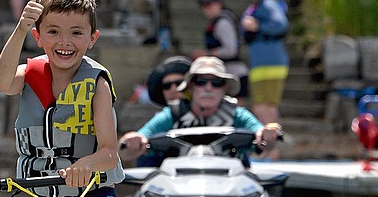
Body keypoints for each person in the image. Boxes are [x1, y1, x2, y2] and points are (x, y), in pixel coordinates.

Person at [0, 0, 129, 197]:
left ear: (92, 39)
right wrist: (21, 28)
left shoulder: (97, 83)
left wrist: (85, 165)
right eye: (53, 32)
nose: (65, 42)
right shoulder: (30, 75)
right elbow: (2, 82)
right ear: (38, 37)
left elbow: (109, 152)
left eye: (76, 33)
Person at [119, 56, 280, 165]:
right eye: (201, 81)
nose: (208, 88)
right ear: (190, 87)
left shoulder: (237, 114)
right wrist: (132, 140)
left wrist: (268, 134)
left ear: (225, 88)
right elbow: (133, 144)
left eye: (216, 82)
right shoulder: (173, 113)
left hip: (231, 189)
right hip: (177, 188)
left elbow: (263, 138)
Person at [240, 0, 289, 128]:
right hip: (260, 64)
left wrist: (257, 26)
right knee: (261, 108)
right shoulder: (254, 7)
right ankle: (270, 145)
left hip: (271, 63)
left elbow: (281, 25)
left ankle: (271, 146)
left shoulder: (269, 3)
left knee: (265, 107)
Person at [193, 0, 247, 94]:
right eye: (202, 5)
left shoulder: (223, 22)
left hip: (233, 74)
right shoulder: (215, 22)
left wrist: (206, 54)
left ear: (219, 4)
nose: (205, 8)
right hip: (225, 73)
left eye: (208, 4)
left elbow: (231, 50)